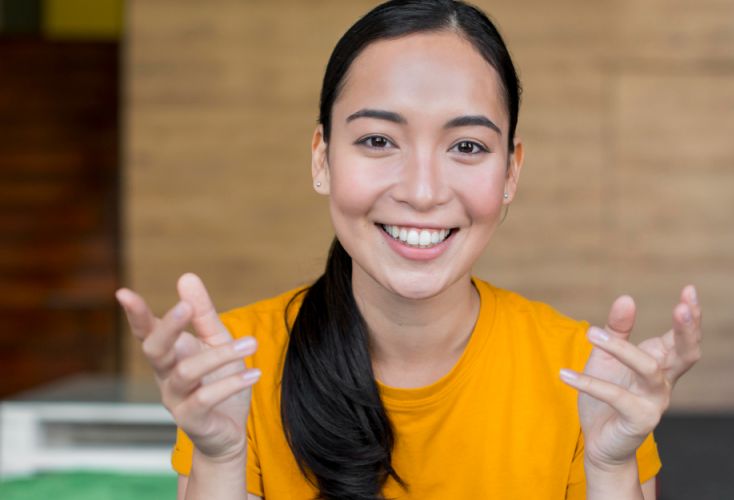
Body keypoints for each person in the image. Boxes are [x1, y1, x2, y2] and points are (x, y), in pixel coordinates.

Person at [116, 1, 702, 499]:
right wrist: (218, 460)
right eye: (377, 140)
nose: (422, 192)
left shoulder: (585, 380)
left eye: (467, 145)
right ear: (321, 157)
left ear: (511, 172)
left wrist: (609, 468)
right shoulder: (238, 370)